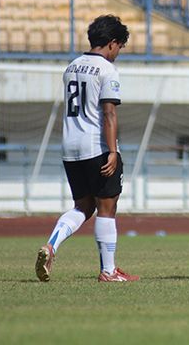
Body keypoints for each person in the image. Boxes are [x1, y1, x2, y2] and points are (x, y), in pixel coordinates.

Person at [35, 15, 138, 282]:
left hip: (70, 147)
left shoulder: (72, 66)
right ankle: (108, 270)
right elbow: (109, 113)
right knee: (107, 207)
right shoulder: (107, 70)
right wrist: (113, 151)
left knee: (82, 206)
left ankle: (51, 245)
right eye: (120, 47)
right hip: (97, 146)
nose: (118, 53)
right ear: (112, 43)